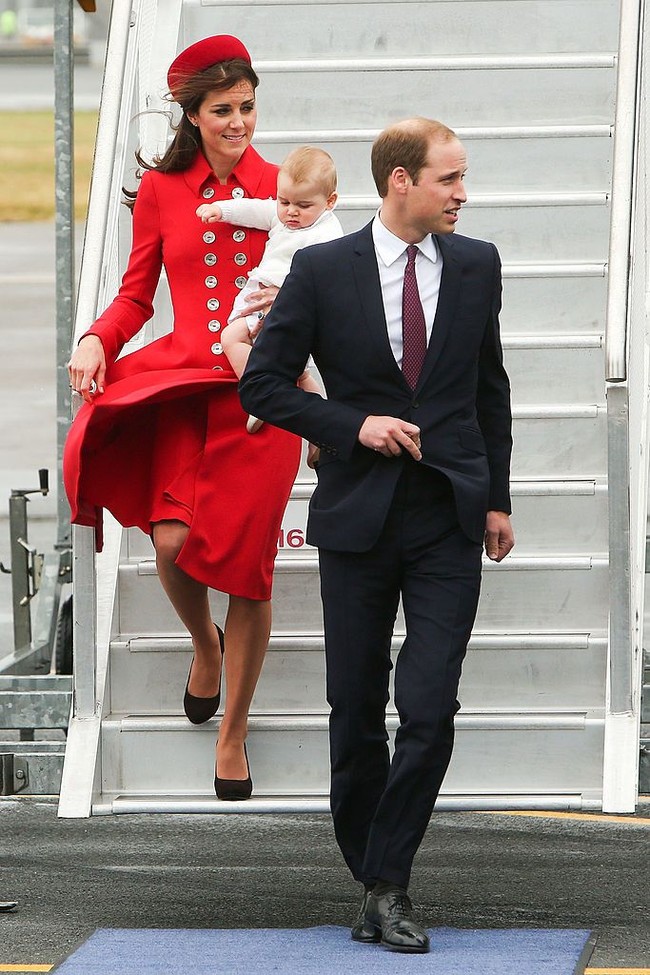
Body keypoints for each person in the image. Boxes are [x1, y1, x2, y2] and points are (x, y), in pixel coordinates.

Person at [240, 117, 514, 952]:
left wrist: (497, 498)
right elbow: (263, 384)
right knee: (355, 706)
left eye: (462, 178)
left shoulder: (477, 264)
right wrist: (352, 425)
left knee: (429, 706)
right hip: (358, 516)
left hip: (447, 516)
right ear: (401, 181)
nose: (462, 193)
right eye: (449, 179)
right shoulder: (324, 270)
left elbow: (489, 387)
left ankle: (387, 881)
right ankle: (373, 876)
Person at [64, 35, 302, 802]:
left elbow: (324, 285)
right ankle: (205, 644)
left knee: (250, 572)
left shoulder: (287, 186)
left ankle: (233, 730)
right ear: (193, 115)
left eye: (248, 106)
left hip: (263, 394)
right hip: (182, 384)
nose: (239, 122)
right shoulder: (164, 191)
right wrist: (97, 338)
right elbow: (138, 294)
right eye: (223, 110)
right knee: (171, 540)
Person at [196, 144, 343, 434]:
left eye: (303, 206)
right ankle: (323, 432)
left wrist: (289, 299)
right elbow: (254, 209)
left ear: (330, 202)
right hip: (264, 300)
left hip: (288, 306)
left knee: (231, 337)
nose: (291, 212)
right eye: (284, 201)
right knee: (300, 374)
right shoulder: (281, 217)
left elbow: (329, 279)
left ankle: (261, 394)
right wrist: (220, 209)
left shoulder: (327, 234)